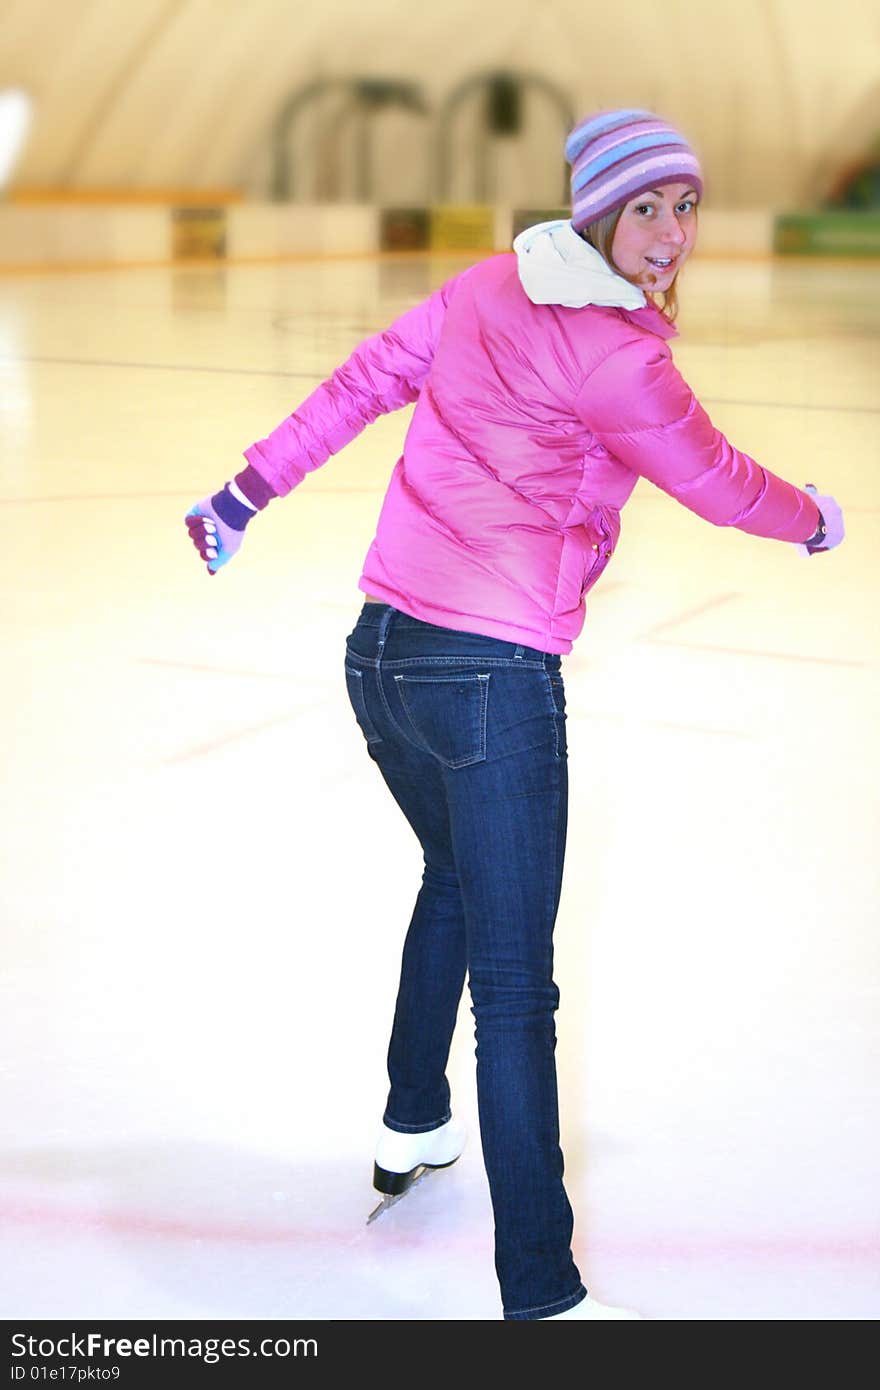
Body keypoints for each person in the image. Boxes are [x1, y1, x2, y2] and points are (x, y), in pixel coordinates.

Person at [184, 109, 844, 1321]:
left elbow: (365, 378)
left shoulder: (488, 285)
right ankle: (541, 1287)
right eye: (646, 208)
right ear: (596, 212)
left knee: (450, 877)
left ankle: (409, 1118)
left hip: (379, 659)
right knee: (516, 987)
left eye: (685, 206)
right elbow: (714, 477)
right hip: (486, 680)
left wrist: (245, 490)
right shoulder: (618, 360)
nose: (669, 234)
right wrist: (810, 515)